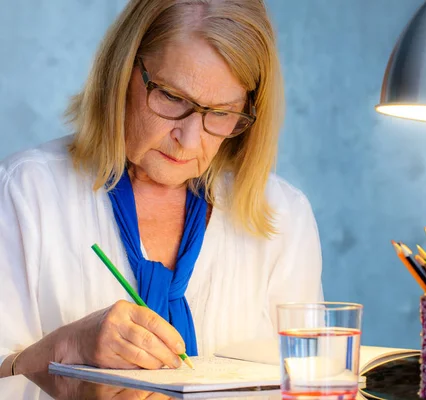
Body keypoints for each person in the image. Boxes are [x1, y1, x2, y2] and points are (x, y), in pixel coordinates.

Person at [0, 0, 322, 377]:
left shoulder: (284, 215)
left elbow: (308, 383)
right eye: (171, 97)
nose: (187, 140)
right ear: (122, 71)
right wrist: (65, 348)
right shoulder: (26, 190)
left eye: (220, 113)